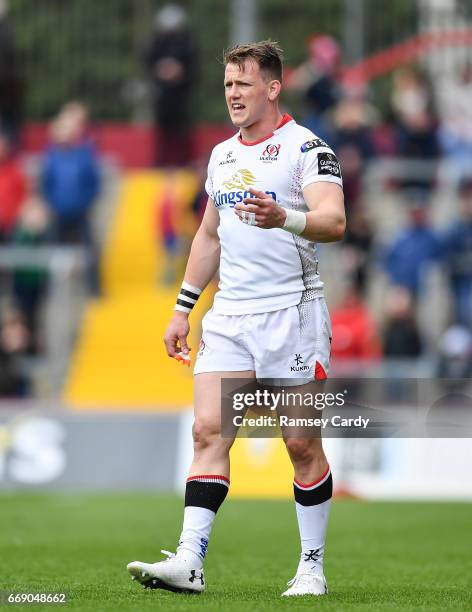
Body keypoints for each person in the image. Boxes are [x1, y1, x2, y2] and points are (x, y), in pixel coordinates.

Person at [127, 41, 345, 597]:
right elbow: (208, 235)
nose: (233, 95)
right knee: (207, 431)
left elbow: (334, 221)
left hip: (292, 314)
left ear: (273, 88)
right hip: (229, 316)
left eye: (243, 85)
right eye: (227, 85)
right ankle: (189, 561)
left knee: (300, 445)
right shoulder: (222, 155)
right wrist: (184, 307)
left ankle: (312, 567)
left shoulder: (308, 149)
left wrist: (285, 217)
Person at [142, 4, 198, 167]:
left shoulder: (187, 43)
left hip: (181, 96)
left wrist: (179, 73)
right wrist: (160, 72)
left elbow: (194, 70)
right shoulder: (156, 44)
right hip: (162, 95)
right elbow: (148, 64)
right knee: (162, 133)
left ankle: (185, 161)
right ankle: (161, 162)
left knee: (182, 131)